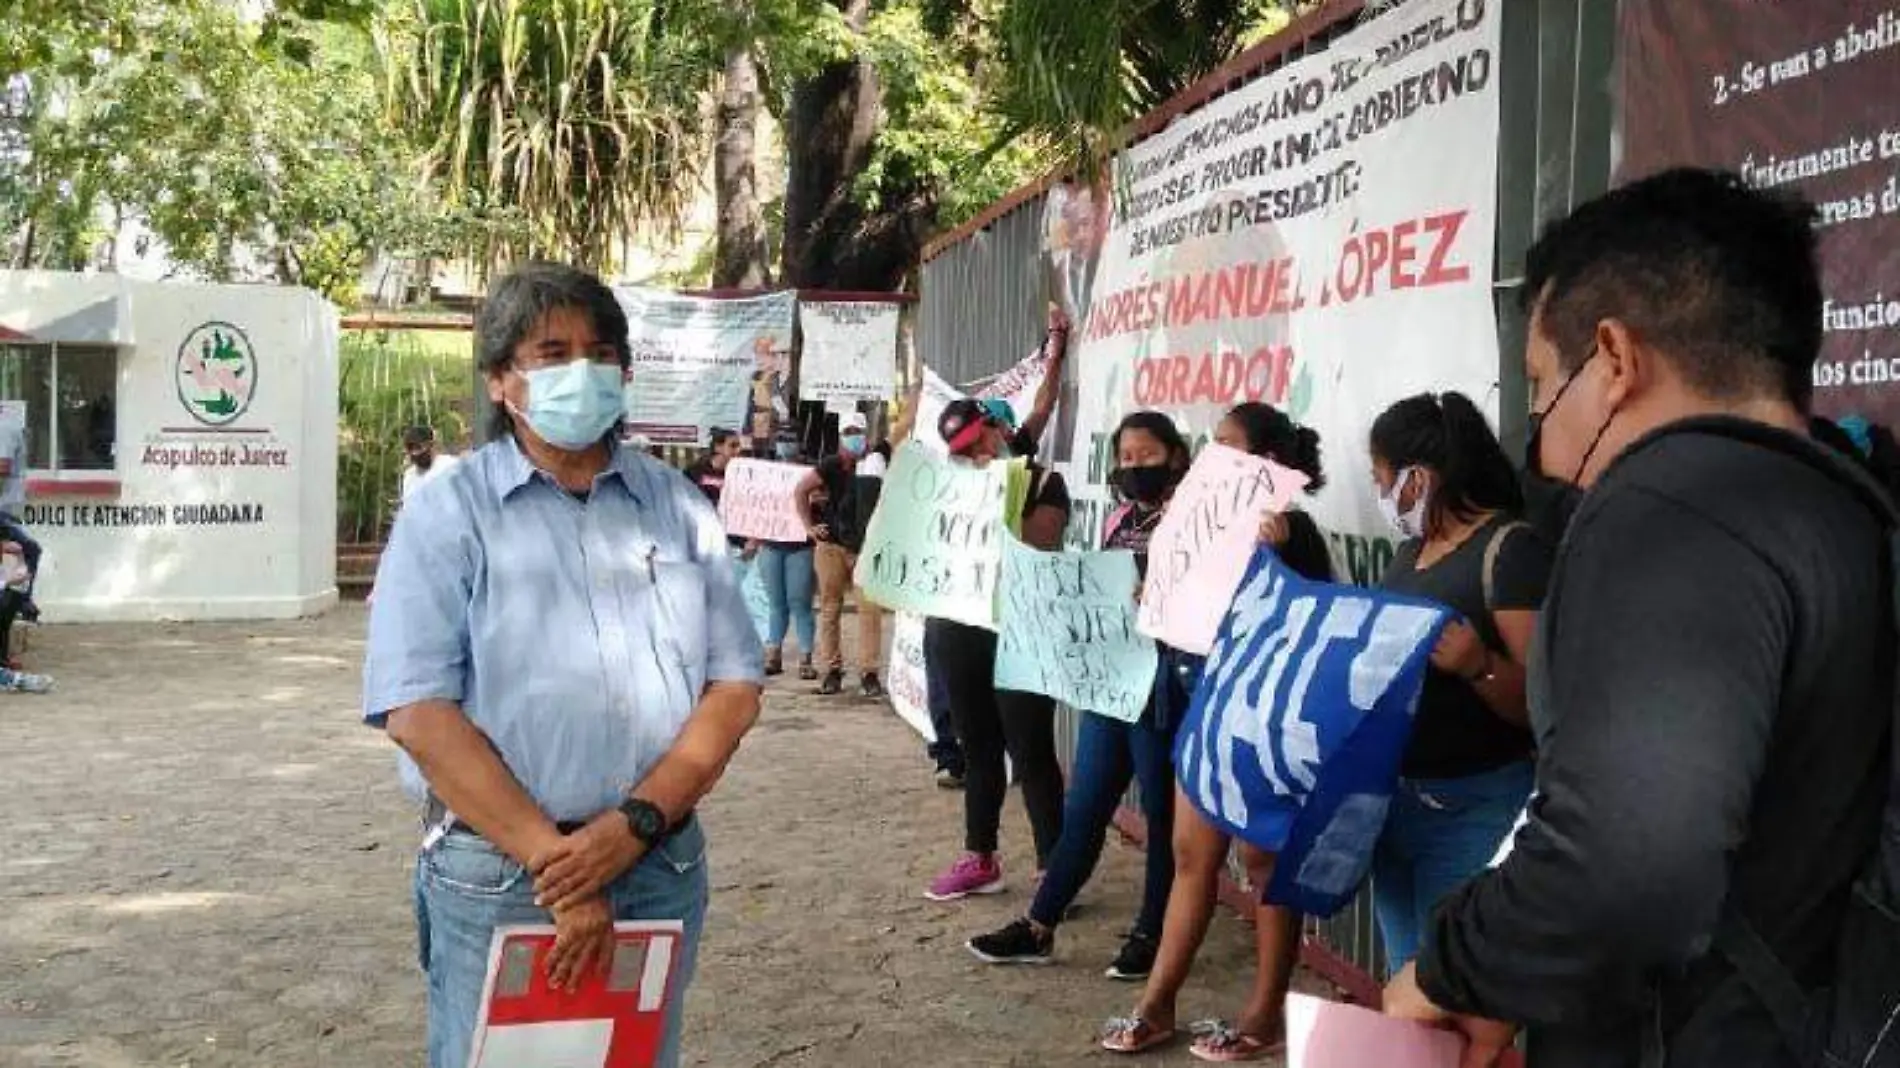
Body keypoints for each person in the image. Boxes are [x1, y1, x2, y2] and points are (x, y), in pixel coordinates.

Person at [1384, 169, 1895, 1068]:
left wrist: (1450, 972)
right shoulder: (1849, 513)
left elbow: (1627, 864)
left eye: (1541, 385)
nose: (1538, 434)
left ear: (1615, 358)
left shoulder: (1664, 501)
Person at [362, 262, 765, 1068]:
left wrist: (637, 825)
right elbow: (417, 711)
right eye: (552, 353)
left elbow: (733, 684)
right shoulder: (449, 512)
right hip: (507, 875)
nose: (582, 370)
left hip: (658, 862)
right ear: (501, 381)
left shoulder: (678, 506)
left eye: (601, 351)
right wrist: (561, 867)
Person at [1100, 402, 1334, 1059]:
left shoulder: (1294, 533)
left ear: (1268, 463)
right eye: (1211, 445)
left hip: (1260, 713)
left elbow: (1311, 624)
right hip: (1199, 701)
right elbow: (1176, 609)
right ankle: (1157, 1002)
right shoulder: (1194, 523)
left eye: (1229, 446)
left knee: (1264, 861)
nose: (1213, 457)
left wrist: (1278, 550)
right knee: (1189, 857)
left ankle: (1264, 1012)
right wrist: (1153, 600)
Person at [967, 410, 1195, 980]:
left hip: (1163, 687)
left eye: (1147, 455)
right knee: (1086, 804)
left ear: (1176, 456)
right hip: (1110, 684)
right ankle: (1039, 924)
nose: (1135, 466)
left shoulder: (1195, 519)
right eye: (1126, 457)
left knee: (1163, 818)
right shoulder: (1120, 517)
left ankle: (1152, 931)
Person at [1363, 391, 1549, 979]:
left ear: (1417, 480)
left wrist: (1479, 666)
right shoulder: (1409, 553)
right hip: (1396, 803)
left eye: (1381, 477)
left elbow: (1547, 705)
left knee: (1456, 990)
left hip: (1475, 809)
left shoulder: (1509, 550)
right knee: (1406, 983)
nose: (1380, 493)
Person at [924, 398, 1073, 902]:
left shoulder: (1043, 481)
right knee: (978, 747)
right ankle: (979, 857)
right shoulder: (946, 487)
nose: (976, 454)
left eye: (980, 440)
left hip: (1021, 631)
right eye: (962, 450)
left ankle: (1054, 868)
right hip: (958, 627)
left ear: (999, 430)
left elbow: (1040, 546)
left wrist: (996, 500)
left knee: (1031, 751)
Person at [795, 411, 888, 698]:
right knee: (830, 608)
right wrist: (809, 527)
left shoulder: (876, 464)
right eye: (849, 432)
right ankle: (832, 670)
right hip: (832, 546)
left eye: (857, 432)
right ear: (841, 436)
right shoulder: (831, 465)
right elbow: (800, 490)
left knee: (869, 611)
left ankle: (869, 672)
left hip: (865, 549)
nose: (854, 437)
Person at [755, 431, 818, 680]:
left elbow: (823, 502)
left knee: (800, 602)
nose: (786, 443)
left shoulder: (810, 473)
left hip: (799, 546)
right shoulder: (765, 473)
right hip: (771, 544)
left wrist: (816, 500)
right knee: (776, 604)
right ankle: (773, 654)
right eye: (781, 438)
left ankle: (805, 658)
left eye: (791, 438)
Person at [0, 415, 41, 622]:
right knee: (25, 551)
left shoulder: (3, 428)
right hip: (7, 507)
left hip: (4, 507)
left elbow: (3, 467)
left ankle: (21, 601)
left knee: (24, 551)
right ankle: (21, 602)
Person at [399, 425, 459, 504]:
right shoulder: (409, 476)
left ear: (431, 445)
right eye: (411, 448)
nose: (415, 453)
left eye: (418, 447)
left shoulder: (449, 466)